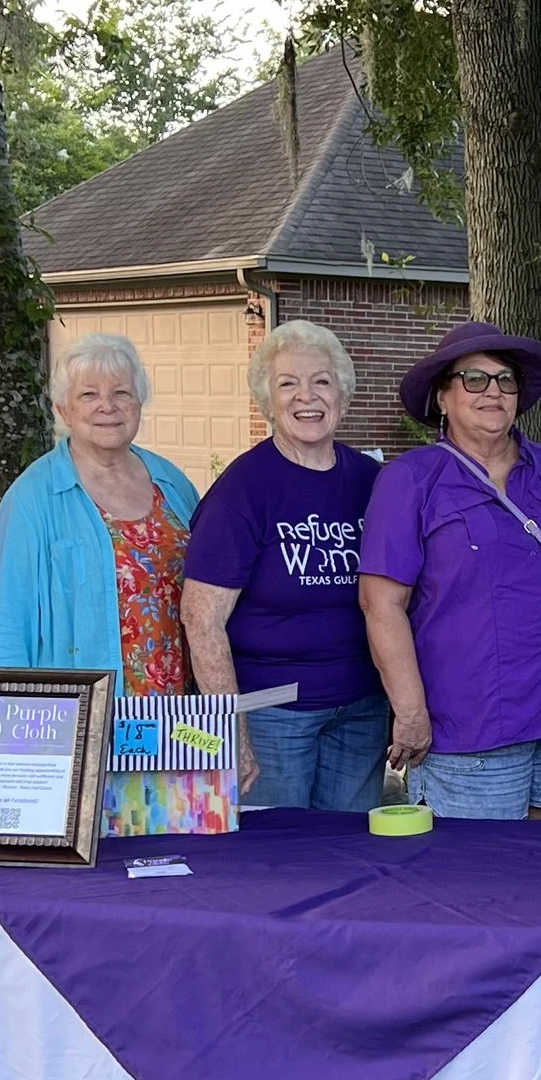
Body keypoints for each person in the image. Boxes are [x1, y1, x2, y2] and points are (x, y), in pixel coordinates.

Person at [358, 321, 541, 818]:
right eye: (474, 379)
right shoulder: (411, 480)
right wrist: (410, 711)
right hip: (471, 722)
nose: (494, 391)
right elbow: (382, 605)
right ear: (442, 397)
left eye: (506, 380)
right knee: (477, 878)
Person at [181, 322, 389, 812]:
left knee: (350, 855)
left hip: (361, 708)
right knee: (280, 860)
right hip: (272, 714)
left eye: (321, 381)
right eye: (287, 384)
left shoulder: (372, 481)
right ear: (266, 401)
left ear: (342, 392)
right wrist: (230, 728)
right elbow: (201, 618)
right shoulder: (244, 489)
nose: (306, 397)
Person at [0, 336, 200, 689]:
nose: (107, 406)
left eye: (121, 393)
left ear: (139, 402)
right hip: (83, 719)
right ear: (63, 410)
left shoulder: (173, 485)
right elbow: (7, 629)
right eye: (88, 395)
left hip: (176, 712)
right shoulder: (32, 497)